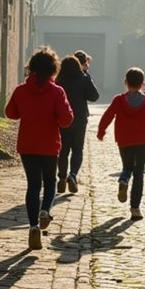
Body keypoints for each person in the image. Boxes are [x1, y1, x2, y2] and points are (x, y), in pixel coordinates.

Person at [4, 46, 74, 250]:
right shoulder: (57, 91)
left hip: (27, 144)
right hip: (50, 145)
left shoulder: (21, 89)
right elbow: (67, 120)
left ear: (32, 67)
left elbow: (10, 113)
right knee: (50, 182)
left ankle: (33, 226)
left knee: (33, 185)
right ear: (53, 69)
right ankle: (45, 210)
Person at [97, 68, 145, 220]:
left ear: (125, 82)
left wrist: (101, 131)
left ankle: (124, 179)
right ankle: (135, 209)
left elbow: (108, 116)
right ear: (143, 84)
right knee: (139, 172)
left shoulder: (118, 100)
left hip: (124, 140)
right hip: (142, 140)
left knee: (127, 167)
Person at [55, 55, 100, 194]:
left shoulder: (59, 81)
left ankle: (62, 177)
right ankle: (73, 174)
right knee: (77, 149)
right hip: (80, 119)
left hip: (63, 119)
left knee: (63, 150)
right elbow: (94, 96)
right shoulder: (84, 79)